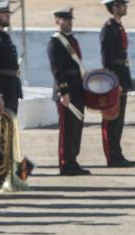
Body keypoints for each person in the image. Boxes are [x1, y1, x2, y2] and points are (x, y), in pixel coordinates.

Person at [0, 0, 30, 189]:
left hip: (10, 89)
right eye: (3, 13)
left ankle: (13, 174)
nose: (7, 16)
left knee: (10, 135)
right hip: (0, 91)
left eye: (7, 13)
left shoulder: (4, 37)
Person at [47, 7, 88, 176]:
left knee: (77, 126)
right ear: (57, 21)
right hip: (66, 90)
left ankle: (73, 160)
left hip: (77, 88)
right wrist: (64, 91)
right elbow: (57, 69)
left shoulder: (71, 40)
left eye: (70, 19)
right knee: (67, 128)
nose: (69, 22)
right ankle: (65, 162)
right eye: (65, 19)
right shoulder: (56, 42)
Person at [100, 0, 135, 168]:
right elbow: (107, 60)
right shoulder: (108, 29)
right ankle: (112, 156)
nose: (125, 7)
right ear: (114, 7)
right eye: (122, 4)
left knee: (119, 120)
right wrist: (113, 82)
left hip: (122, 76)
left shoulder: (118, 27)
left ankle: (118, 153)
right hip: (115, 79)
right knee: (112, 119)